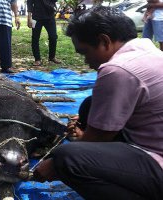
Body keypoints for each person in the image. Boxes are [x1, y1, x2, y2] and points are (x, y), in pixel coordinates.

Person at [33, 6, 163, 200]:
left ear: (104, 41)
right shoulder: (148, 50)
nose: (87, 62)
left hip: (156, 161)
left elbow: (99, 137)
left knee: (67, 158)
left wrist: (53, 164)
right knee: (89, 105)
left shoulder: (117, 69)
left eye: (85, 52)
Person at [27, 0, 61, 67]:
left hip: (50, 16)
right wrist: (29, 18)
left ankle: (52, 57)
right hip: (36, 17)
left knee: (53, 37)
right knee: (35, 38)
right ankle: (37, 59)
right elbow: (29, 3)